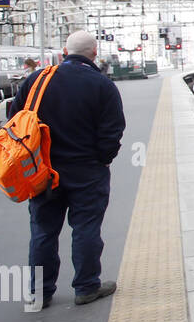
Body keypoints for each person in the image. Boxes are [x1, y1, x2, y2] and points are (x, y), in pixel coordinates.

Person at [7, 30, 125, 307]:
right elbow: (112, 131)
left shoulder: (36, 80)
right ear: (95, 54)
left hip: (41, 171)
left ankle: (39, 292)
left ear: (63, 52)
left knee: (43, 231)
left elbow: (14, 120)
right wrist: (103, 159)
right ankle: (86, 287)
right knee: (85, 228)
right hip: (86, 170)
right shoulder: (101, 85)